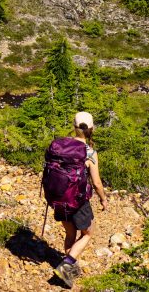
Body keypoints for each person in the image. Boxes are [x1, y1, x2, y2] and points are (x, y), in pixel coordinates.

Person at [53, 111, 108, 288]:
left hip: (58, 198)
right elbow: (97, 182)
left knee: (70, 234)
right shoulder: (90, 152)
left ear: (74, 127)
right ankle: (66, 265)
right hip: (77, 201)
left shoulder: (60, 146)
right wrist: (103, 199)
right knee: (88, 233)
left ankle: (69, 269)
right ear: (91, 128)